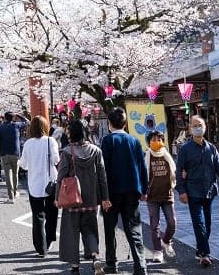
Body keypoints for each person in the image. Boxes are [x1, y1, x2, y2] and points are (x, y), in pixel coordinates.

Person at [176, 116, 219, 269]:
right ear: (190, 129)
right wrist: (181, 190)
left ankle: (200, 249)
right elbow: (179, 170)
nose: (197, 128)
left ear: (205, 127)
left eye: (200, 125)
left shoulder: (211, 148)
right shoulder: (185, 149)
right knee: (199, 222)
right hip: (193, 191)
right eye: (194, 125)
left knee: (207, 224)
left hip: (209, 191)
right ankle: (205, 254)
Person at [57, 118, 110, 275]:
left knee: (71, 232)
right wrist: (105, 198)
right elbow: (102, 176)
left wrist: (56, 197)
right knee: (91, 230)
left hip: (72, 199)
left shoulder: (66, 152)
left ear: (71, 134)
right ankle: (95, 257)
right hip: (92, 199)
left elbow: (61, 176)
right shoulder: (96, 151)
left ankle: (74, 267)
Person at [99, 107, 148, 275]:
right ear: (125, 123)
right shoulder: (134, 141)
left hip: (112, 191)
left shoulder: (107, 141)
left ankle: (111, 263)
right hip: (132, 189)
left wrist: (103, 195)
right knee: (133, 227)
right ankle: (140, 264)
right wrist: (145, 188)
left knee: (109, 227)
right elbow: (142, 166)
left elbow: (103, 170)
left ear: (109, 123)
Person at [18, 115, 60, 257]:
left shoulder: (28, 143)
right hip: (50, 183)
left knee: (37, 216)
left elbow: (23, 164)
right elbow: (56, 160)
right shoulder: (50, 141)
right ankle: (49, 240)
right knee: (52, 213)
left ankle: (41, 247)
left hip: (34, 184)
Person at [142, 131, 177, 263]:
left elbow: (174, 173)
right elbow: (143, 175)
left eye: (159, 138)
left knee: (172, 224)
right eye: (154, 139)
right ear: (149, 141)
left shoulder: (167, 156)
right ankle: (157, 251)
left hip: (167, 195)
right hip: (152, 196)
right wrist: (142, 191)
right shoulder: (146, 156)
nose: (157, 141)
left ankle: (166, 240)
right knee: (155, 225)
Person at [0, 111, 23, 203]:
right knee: (15, 174)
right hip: (15, 153)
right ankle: (15, 193)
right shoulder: (16, 125)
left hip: (4, 153)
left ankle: (11, 197)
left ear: (5, 118)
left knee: (8, 175)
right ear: (13, 118)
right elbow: (27, 122)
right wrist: (18, 115)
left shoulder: (0, 128)